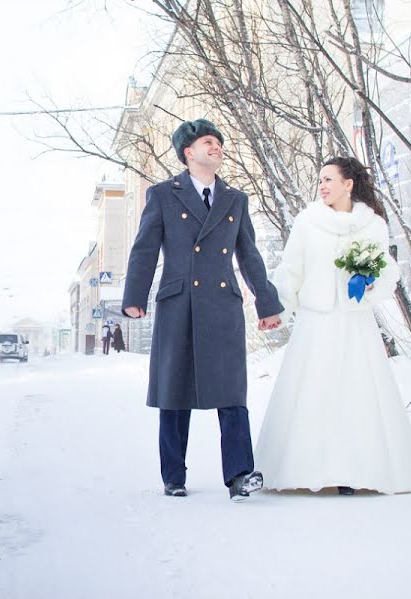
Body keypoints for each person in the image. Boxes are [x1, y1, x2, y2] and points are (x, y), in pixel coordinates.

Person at [122, 118, 283, 501]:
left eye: (219, 143)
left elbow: (249, 255)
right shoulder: (163, 194)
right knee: (175, 390)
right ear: (188, 152)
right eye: (208, 142)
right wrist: (134, 296)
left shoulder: (235, 199)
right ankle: (173, 476)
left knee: (231, 391)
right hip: (178, 302)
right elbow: (145, 248)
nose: (216, 148)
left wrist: (266, 302)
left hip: (222, 304)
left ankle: (240, 475)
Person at [255, 156, 411, 495]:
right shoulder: (307, 222)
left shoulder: (373, 225)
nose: (322, 186)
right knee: (314, 392)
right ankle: (306, 470)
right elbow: (291, 271)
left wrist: (369, 281)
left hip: (354, 322)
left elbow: (387, 270)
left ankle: (356, 472)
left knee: (357, 394)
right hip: (316, 324)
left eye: (329, 179)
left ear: (349, 184)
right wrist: (278, 310)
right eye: (320, 180)